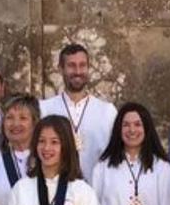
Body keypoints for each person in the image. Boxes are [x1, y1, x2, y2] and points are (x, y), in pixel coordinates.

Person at [38, 43, 118, 182]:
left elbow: (116, 157)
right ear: (60, 69)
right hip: (55, 194)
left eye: (82, 65)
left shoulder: (107, 112)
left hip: (96, 194)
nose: (78, 71)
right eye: (71, 65)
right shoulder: (44, 109)